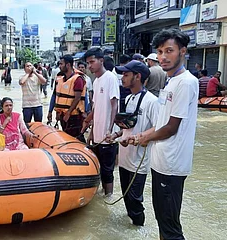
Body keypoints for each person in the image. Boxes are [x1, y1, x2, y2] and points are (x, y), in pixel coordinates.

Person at [129, 29, 198, 240]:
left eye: (169, 51)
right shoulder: (170, 81)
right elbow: (161, 122)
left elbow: (171, 128)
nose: (163, 57)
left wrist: (146, 138)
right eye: (159, 52)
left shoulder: (186, 82)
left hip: (171, 164)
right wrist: (140, 135)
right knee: (163, 219)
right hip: (161, 162)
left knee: (170, 227)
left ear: (183, 52)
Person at [110, 60, 159, 226]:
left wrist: (138, 138)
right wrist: (116, 134)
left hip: (139, 162)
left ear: (137, 77)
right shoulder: (129, 98)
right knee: (126, 198)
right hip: (124, 160)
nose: (122, 78)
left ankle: (138, 230)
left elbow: (158, 128)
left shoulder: (152, 101)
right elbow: (128, 127)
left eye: (126, 74)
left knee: (135, 202)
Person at [82, 48, 120, 201]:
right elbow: (96, 108)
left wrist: (110, 130)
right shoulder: (96, 81)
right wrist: (91, 132)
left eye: (92, 62)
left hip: (108, 135)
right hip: (97, 134)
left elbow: (114, 104)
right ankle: (103, 194)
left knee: (107, 170)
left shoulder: (110, 78)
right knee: (99, 167)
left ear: (101, 61)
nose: (90, 66)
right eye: (88, 63)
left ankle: (109, 197)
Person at [52, 55, 87, 139]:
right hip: (63, 115)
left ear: (68, 65)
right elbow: (56, 97)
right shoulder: (60, 79)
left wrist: (68, 113)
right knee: (66, 136)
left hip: (74, 116)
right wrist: (57, 112)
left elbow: (77, 98)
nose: (59, 66)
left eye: (61, 64)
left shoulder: (78, 79)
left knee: (77, 138)